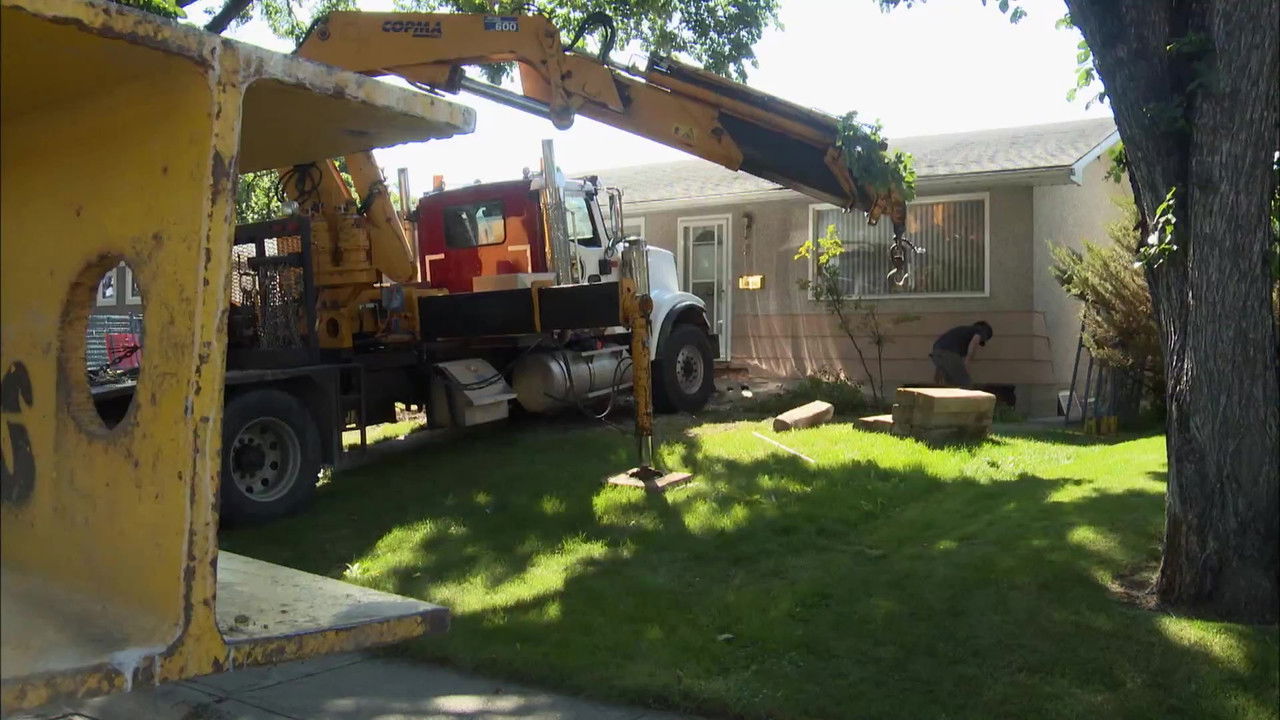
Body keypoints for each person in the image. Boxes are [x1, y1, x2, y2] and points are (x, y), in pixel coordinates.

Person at [930, 321, 993, 388]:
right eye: (982, 341)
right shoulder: (980, 330)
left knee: (951, 385)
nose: (980, 342)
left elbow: (943, 352)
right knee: (965, 384)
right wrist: (966, 365)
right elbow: (973, 343)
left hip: (936, 353)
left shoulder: (962, 331)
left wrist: (938, 372)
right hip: (950, 354)